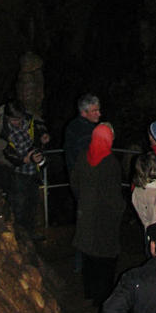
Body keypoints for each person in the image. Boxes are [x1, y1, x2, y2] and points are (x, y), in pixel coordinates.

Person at [70, 121, 125, 306]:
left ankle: (90, 292)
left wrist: (83, 201)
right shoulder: (110, 164)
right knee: (105, 258)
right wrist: (121, 209)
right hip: (104, 218)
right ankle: (103, 296)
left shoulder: (83, 158)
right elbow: (113, 195)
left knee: (89, 256)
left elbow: (75, 183)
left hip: (86, 214)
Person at [0, 101, 50, 237]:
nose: (17, 122)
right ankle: (19, 236)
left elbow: (39, 125)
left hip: (32, 171)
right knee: (18, 207)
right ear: (8, 118)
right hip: (17, 174)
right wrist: (24, 160)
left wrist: (43, 135)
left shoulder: (28, 123)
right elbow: (4, 155)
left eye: (19, 119)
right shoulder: (3, 132)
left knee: (32, 203)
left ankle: (30, 234)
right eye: (14, 120)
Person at [64, 94, 102, 272]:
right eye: (94, 110)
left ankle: (84, 262)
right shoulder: (85, 133)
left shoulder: (74, 127)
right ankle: (85, 263)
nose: (99, 114)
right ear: (84, 112)